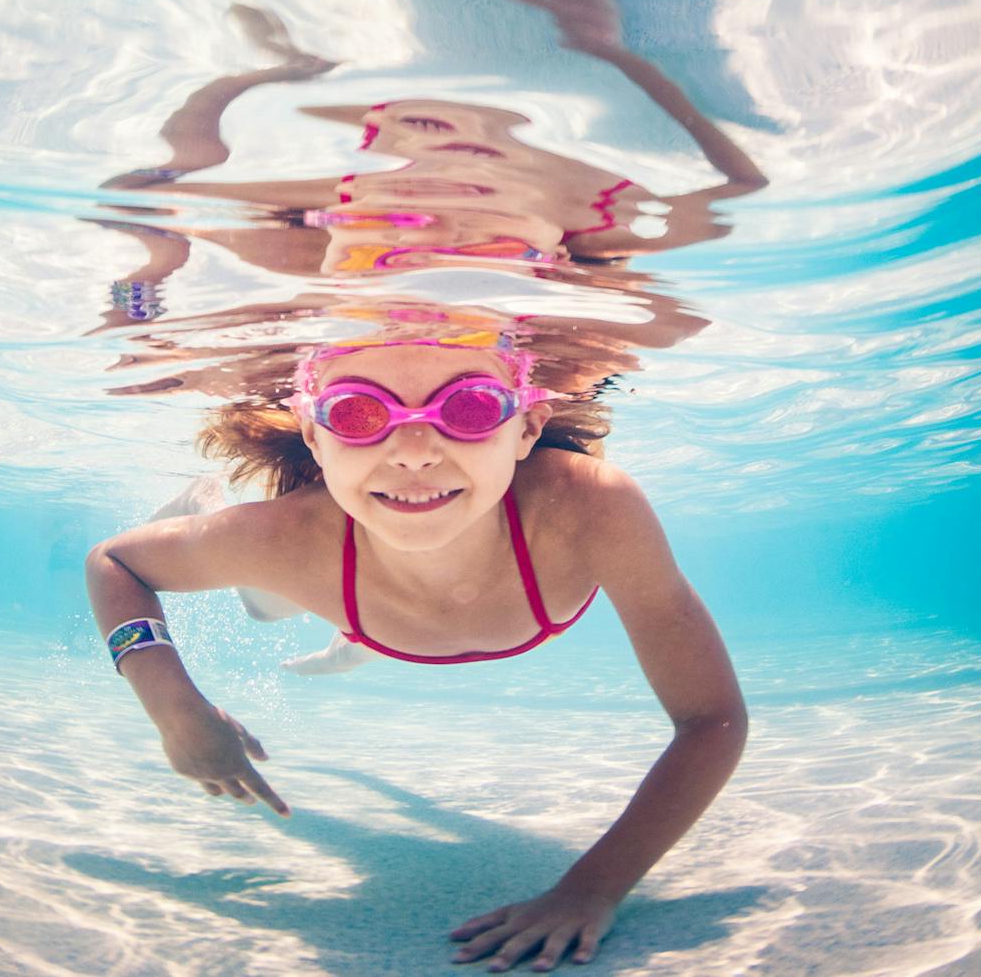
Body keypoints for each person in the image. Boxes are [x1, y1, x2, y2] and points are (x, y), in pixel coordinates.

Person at [86, 331, 746, 972]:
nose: (413, 452)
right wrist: (176, 711)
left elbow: (711, 719)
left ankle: (357, 640)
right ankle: (208, 508)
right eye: (357, 413)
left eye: (470, 407)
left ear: (526, 427)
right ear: (314, 434)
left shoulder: (589, 506)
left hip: (378, 606)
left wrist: (591, 889)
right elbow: (115, 560)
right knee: (263, 604)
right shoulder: (286, 540)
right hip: (334, 577)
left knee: (344, 630)